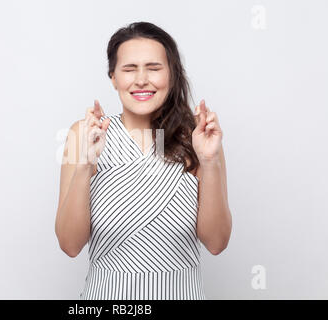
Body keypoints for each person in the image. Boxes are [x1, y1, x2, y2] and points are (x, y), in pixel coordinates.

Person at [55, 21, 232, 300]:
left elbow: (216, 242)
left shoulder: (197, 137)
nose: (141, 80)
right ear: (113, 77)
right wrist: (84, 166)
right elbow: (70, 245)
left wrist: (209, 161)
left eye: (153, 68)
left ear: (172, 74)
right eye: (129, 69)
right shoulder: (85, 133)